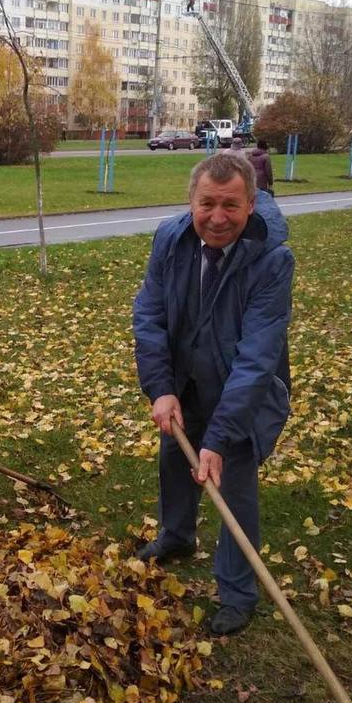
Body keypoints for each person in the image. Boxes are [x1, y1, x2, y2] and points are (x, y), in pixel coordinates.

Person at [132, 152, 294, 635]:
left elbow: (258, 357)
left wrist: (220, 437)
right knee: (174, 464)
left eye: (231, 206)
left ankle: (238, 591)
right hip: (184, 384)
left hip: (241, 393)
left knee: (233, 486)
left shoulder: (271, 260)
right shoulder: (170, 237)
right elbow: (150, 314)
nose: (217, 218)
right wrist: (161, 388)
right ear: (191, 201)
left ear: (251, 204)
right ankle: (177, 537)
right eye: (207, 204)